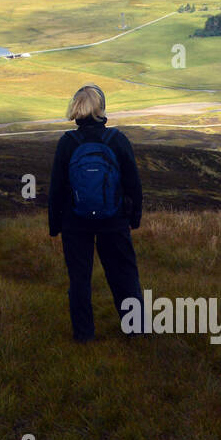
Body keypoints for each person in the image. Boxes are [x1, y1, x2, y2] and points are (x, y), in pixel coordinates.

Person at [47, 84, 144, 342]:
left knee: (79, 280)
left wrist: (54, 225)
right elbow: (133, 183)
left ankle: (84, 336)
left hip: (74, 222)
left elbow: (56, 188)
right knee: (124, 275)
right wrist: (134, 218)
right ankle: (136, 330)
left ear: (76, 109)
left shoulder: (67, 143)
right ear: (101, 108)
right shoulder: (117, 140)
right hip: (114, 221)